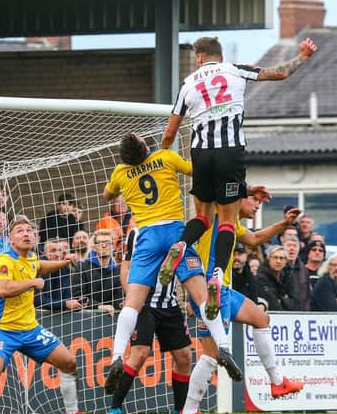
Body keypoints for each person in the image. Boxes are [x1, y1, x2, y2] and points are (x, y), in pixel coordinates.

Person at [157, 36, 317, 305]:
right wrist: (303, 55)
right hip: (230, 151)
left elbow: (170, 133)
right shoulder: (234, 69)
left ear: (199, 58)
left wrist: (162, 156)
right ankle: (217, 277)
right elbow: (280, 73)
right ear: (219, 55)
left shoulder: (188, 84)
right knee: (228, 222)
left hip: (201, 154)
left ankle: (181, 246)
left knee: (204, 217)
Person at [102, 132, 242, 395]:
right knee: (201, 295)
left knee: (132, 302)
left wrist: (120, 177)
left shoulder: (121, 173)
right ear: (146, 147)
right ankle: (222, 346)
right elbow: (195, 172)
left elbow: (106, 195)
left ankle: (117, 356)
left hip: (147, 235)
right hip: (176, 232)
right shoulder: (166, 157)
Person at [181, 200, 304, 414]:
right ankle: (190, 410)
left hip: (224, 289)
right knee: (210, 354)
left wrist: (284, 224)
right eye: (253, 200)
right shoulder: (214, 213)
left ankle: (277, 382)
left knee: (261, 319)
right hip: (208, 287)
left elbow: (255, 238)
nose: (257, 206)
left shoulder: (231, 222)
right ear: (237, 197)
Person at [0, 216, 83, 414]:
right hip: (4, 330)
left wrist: (63, 262)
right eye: (20, 231)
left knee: (69, 363)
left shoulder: (30, 258)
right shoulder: (4, 260)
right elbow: (3, 288)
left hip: (31, 330)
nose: (26, 234)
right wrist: (32, 283)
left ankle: (72, 412)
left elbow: (39, 266)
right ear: (10, 239)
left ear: (35, 236)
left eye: (29, 231)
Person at [107, 226, 191, 414]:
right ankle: (114, 408)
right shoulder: (137, 232)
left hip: (169, 304)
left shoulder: (178, 230)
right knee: (140, 354)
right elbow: (126, 267)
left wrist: (191, 298)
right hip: (144, 303)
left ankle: (180, 410)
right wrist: (132, 299)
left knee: (184, 357)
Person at [76, 229, 123, 316]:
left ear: (113, 246)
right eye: (100, 243)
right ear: (94, 247)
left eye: (108, 242)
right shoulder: (82, 267)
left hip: (110, 319)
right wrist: (99, 306)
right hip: (86, 318)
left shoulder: (118, 270)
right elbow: (78, 297)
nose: (104, 245)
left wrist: (121, 304)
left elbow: (118, 297)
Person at [36, 238, 86, 311]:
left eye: (60, 251)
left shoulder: (65, 270)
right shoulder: (37, 269)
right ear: (44, 253)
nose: (57, 254)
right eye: (53, 251)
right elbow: (37, 301)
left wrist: (77, 302)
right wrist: (65, 304)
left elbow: (67, 297)